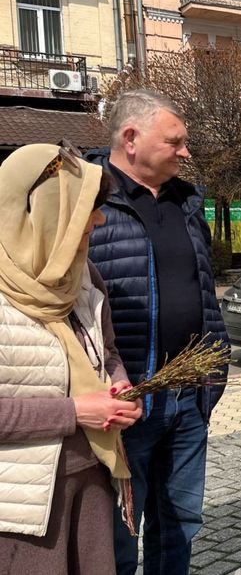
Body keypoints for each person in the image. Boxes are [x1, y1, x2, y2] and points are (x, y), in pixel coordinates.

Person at [85, 88, 229, 575]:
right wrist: (102, 384)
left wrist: (214, 370)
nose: (186, 152)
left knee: (180, 522)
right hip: (126, 401)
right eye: (176, 142)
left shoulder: (187, 202)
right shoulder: (87, 196)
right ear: (131, 138)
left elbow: (204, 288)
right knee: (120, 529)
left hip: (190, 395)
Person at [0, 143, 141, 574]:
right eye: (84, 209)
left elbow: (106, 351)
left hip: (93, 476)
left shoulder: (83, 273)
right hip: (21, 504)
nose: (98, 219)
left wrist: (118, 384)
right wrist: (76, 412)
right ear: (41, 210)